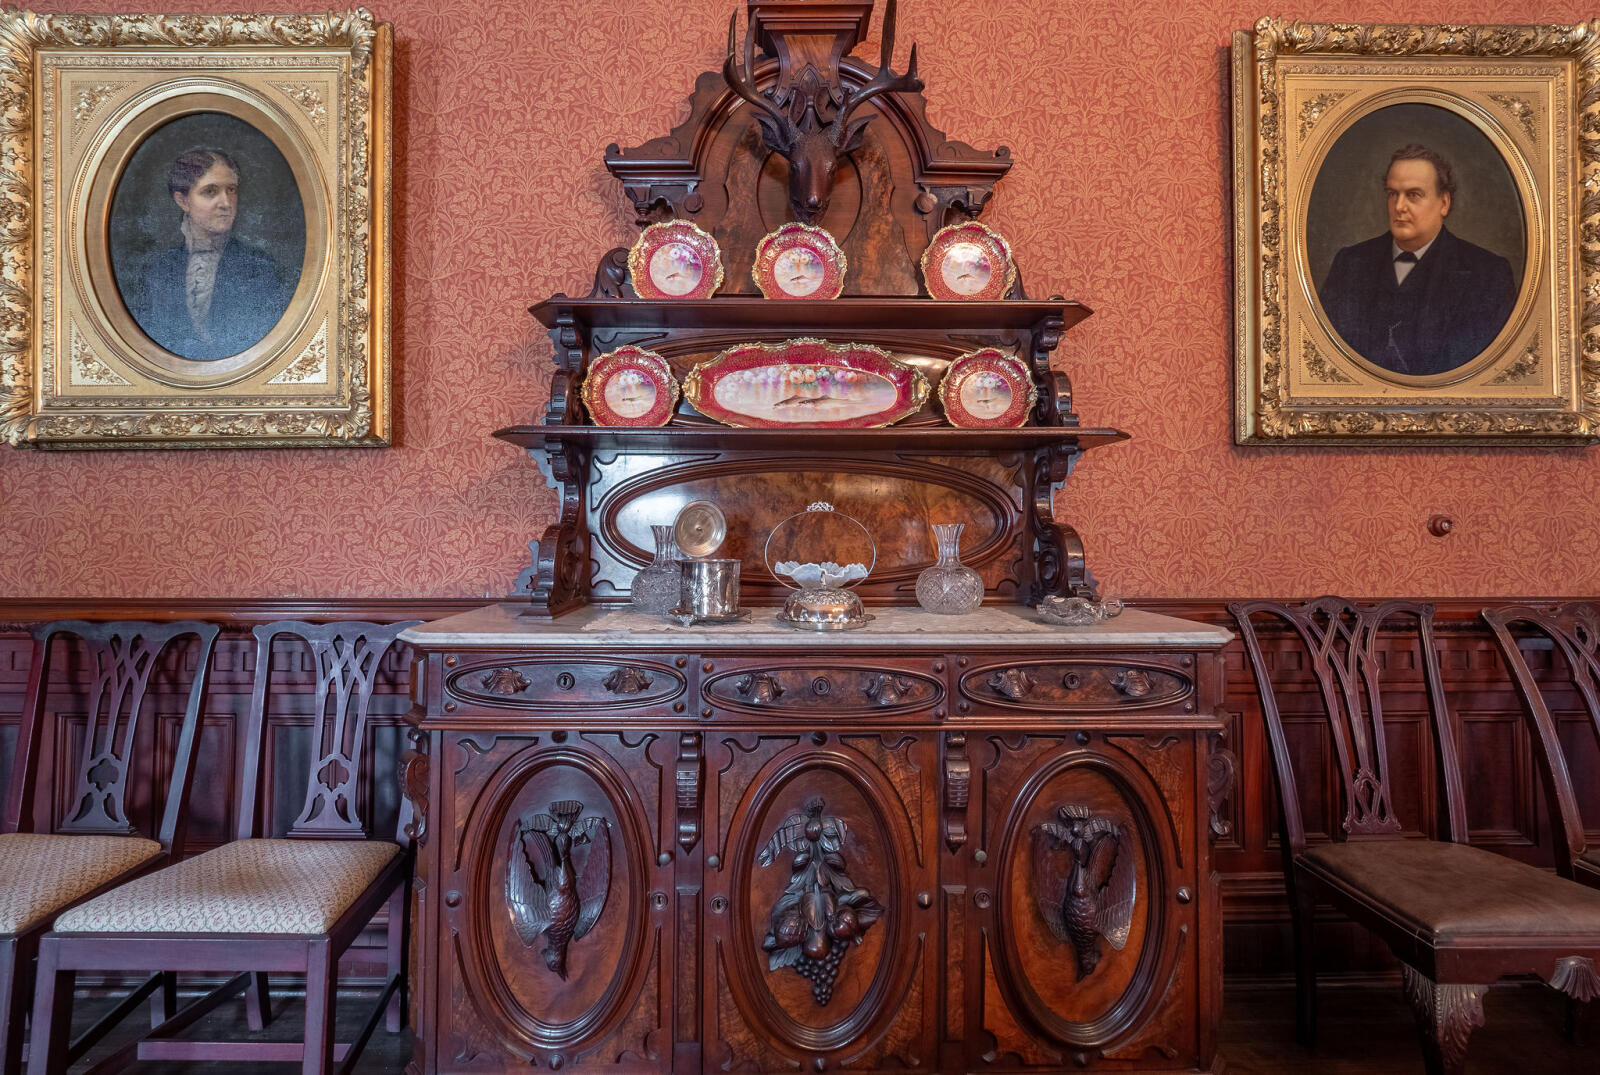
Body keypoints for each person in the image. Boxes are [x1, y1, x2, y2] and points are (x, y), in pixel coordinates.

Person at [1318, 144, 1516, 376]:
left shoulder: (1488, 274)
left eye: (1413, 195)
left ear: (1444, 203)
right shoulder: (1350, 264)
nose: (1399, 207)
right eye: (1393, 194)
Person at [133, 148, 289, 361]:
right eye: (210, 191)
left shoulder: (260, 269)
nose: (226, 203)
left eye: (231, 190)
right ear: (183, 201)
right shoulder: (157, 271)